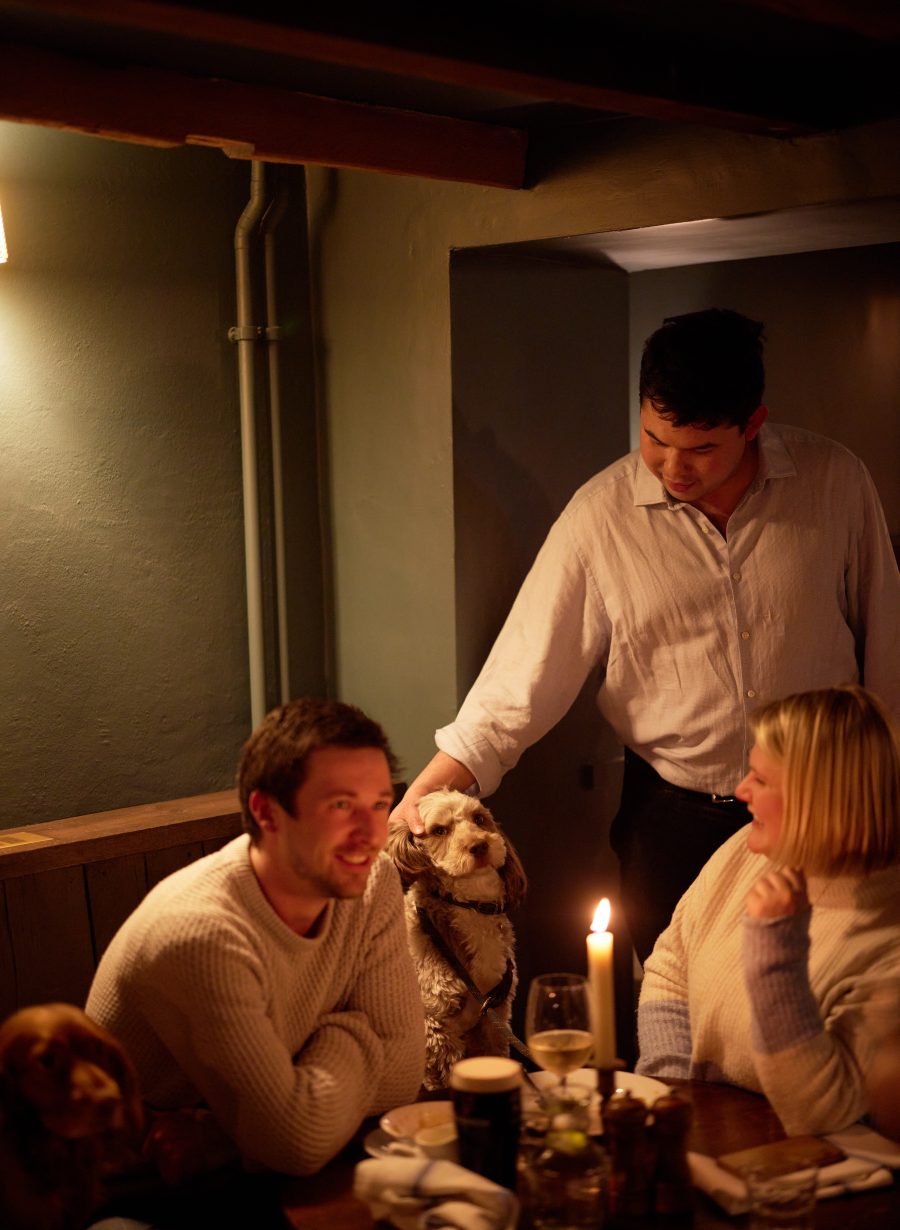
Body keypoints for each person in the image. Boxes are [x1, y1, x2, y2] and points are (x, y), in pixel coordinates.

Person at [391, 308, 900, 961]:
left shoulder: (835, 482)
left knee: (822, 997)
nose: (673, 467)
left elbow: (886, 641)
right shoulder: (601, 516)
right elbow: (521, 677)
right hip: (673, 817)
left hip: (823, 805)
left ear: (753, 424)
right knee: (675, 1010)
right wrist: (434, 785)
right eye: (656, 439)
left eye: (702, 448)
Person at [86, 698, 425, 1178]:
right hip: (134, 1186)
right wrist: (357, 1029)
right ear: (266, 812)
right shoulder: (203, 933)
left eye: (379, 804)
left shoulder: (373, 880)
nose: (370, 834)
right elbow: (296, 1143)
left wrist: (228, 1131)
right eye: (342, 805)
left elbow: (403, 1077)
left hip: (235, 1164)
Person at [636, 685, 900, 1136]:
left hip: (814, 1171)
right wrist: (674, 1090)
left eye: (759, 779)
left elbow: (821, 1112)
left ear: (816, 799)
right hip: (708, 1136)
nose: (740, 790)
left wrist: (775, 947)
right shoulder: (750, 850)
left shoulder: (885, 937)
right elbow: (669, 969)